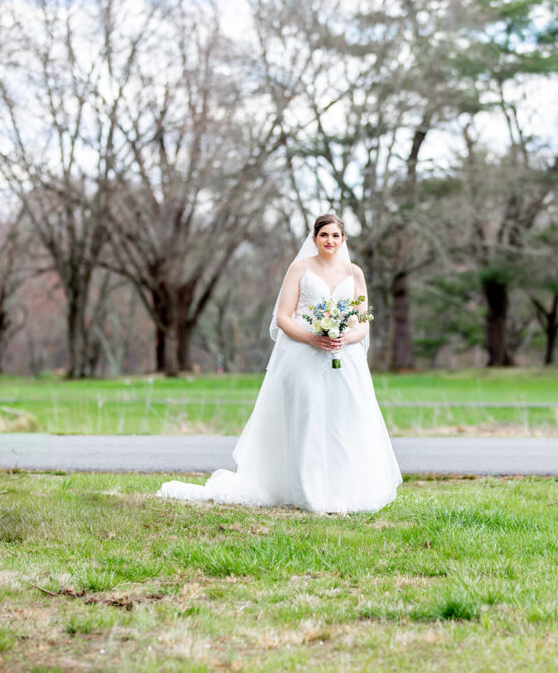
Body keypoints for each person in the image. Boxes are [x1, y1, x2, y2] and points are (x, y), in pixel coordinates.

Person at [156, 215, 402, 513]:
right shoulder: (300, 268)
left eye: (336, 236)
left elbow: (363, 321)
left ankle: (341, 492)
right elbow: (283, 318)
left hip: (343, 357)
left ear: (343, 239)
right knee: (308, 416)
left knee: (341, 420)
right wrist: (313, 338)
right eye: (324, 235)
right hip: (304, 355)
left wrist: (345, 338)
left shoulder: (355, 273)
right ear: (314, 239)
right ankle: (308, 492)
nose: (330, 241)